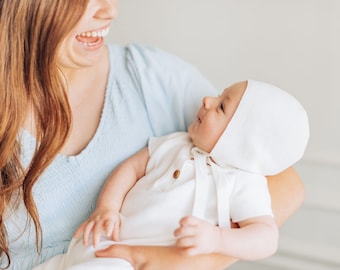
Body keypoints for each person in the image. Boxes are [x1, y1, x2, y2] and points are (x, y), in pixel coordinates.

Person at [0, 0, 305, 269]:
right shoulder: (176, 145)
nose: (111, 10)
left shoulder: (151, 76)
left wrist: (178, 261)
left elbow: (286, 185)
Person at [33, 80, 309, 270]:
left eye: (222, 106)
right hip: (92, 244)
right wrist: (108, 207)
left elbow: (265, 238)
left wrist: (216, 239)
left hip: (128, 264)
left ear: (243, 141)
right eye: (218, 95)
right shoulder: (175, 143)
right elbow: (131, 169)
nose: (208, 100)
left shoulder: (243, 182)